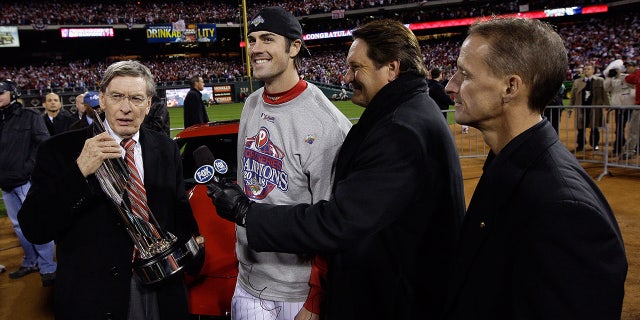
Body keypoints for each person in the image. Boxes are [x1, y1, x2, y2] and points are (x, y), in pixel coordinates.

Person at [208, 19, 465, 319]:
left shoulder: (400, 129)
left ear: (392, 69)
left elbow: (338, 221)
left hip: (393, 298)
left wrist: (246, 213)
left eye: (357, 68)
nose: (346, 77)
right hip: (256, 282)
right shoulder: (406, 113)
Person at [442, 17, 627, 319]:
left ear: (510, 87)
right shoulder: (509, 162)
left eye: (465, 74)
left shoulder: (564, 209)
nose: (451, 85)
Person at [18, 60, 202, 319]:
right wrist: (79, 171)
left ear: (148, 104)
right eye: (117, 97)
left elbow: (178, 209)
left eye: (136, 98)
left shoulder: (165, 148)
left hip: (161, 286)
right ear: (102, 100)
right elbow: (35, 227)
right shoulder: (60, 150)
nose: (126, 108)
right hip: (93, 294)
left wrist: (192, 252)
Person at [223, 7, 352, 320]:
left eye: (267, 38)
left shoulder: (327, 124)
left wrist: (315, 299)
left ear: (294, 47)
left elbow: (333, 221)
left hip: (297, 293)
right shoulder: (251, 103)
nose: (256, 48)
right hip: (248, 280)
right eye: (252, 40)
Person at [0, 79, 57, 287]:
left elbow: (43, 146)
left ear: (12, 94)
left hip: (26, 182)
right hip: (6, 184)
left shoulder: (29, 116)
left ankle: (48, 267)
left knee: (36, 222)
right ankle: (31, 261)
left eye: (1, 93)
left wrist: (27, 169)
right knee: (18, 226)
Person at [569, 63, 609, 152]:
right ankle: (580, 145)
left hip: (594, 108)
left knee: (594, 127)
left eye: (588, 69)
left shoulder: (600, 80)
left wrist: (608, 105)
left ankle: (595, 144)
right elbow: (572, 96)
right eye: (585, 69)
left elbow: (605, 94)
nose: (586, 70)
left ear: (593, 70)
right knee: (580, 128)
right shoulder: (577, 81)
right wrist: (570, 107)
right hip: (581, 108)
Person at [603, 59, 633, 154]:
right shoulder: (612, 79)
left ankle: (633, 147)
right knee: (619, 128)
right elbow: (606, 88)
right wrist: (608, 77)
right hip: (618, 107)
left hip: (630, 106)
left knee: (632, 128)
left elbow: (631, 84)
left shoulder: (626, 77)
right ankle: (618, 146)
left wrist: (620, 76)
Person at [623, 60, 640, 159]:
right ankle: (629, 150)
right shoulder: (637, 74)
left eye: (630, 66)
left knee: (634, 130)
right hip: (638, 106)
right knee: (634, 129)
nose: (628, 68)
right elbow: (628, 79)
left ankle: (630, 150)